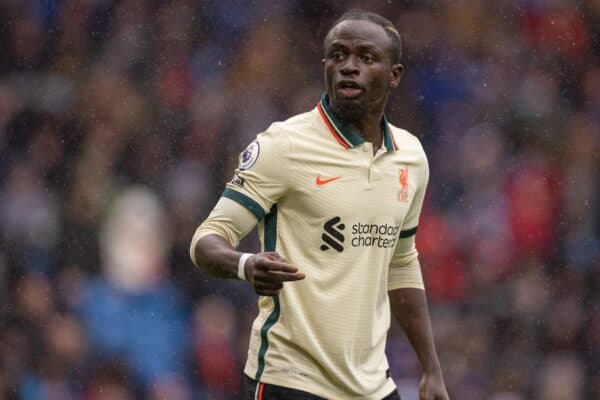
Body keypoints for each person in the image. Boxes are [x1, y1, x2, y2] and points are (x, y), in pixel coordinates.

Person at [190, 10, 449, 400]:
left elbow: (401, 262)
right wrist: (246, 265)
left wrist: (431, 368)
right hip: (289, 380)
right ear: (325, 65)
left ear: (394, 75)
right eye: (338, 55)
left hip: (372, 386)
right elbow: (205, 240)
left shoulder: (411, 157)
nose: (349, 67)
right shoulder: (284, 145)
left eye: (366, 58)